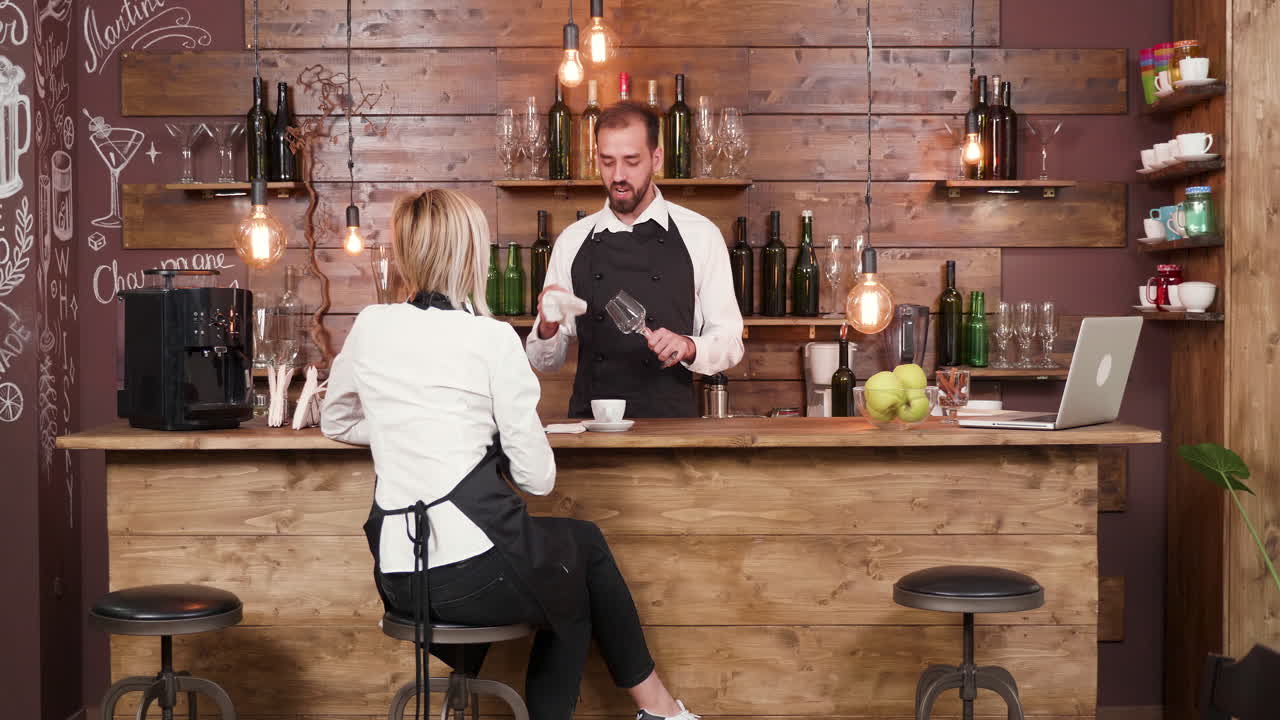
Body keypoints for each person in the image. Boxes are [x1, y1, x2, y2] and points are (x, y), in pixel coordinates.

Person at [321, 189, 699, 720]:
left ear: (408, 253)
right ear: (471, 253)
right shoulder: (492, 339)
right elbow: (538, 479)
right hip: (471, 577)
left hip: (398, 577)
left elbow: (334, 421)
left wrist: (404, 430)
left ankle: (657, 710)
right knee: (578, 564)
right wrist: (479, 435)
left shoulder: (370, 325)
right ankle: (659, 710)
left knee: (569, 568)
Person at [527, 101, 744, 418]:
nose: (618, 176)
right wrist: (547, 328)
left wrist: (689, 345)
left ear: (656, 158)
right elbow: (544, 361)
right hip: (591, 428)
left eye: (631, 161)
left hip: (672, 429)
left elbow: (730, 342)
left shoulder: (700, 235)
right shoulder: (572, 242)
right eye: (607, 161)